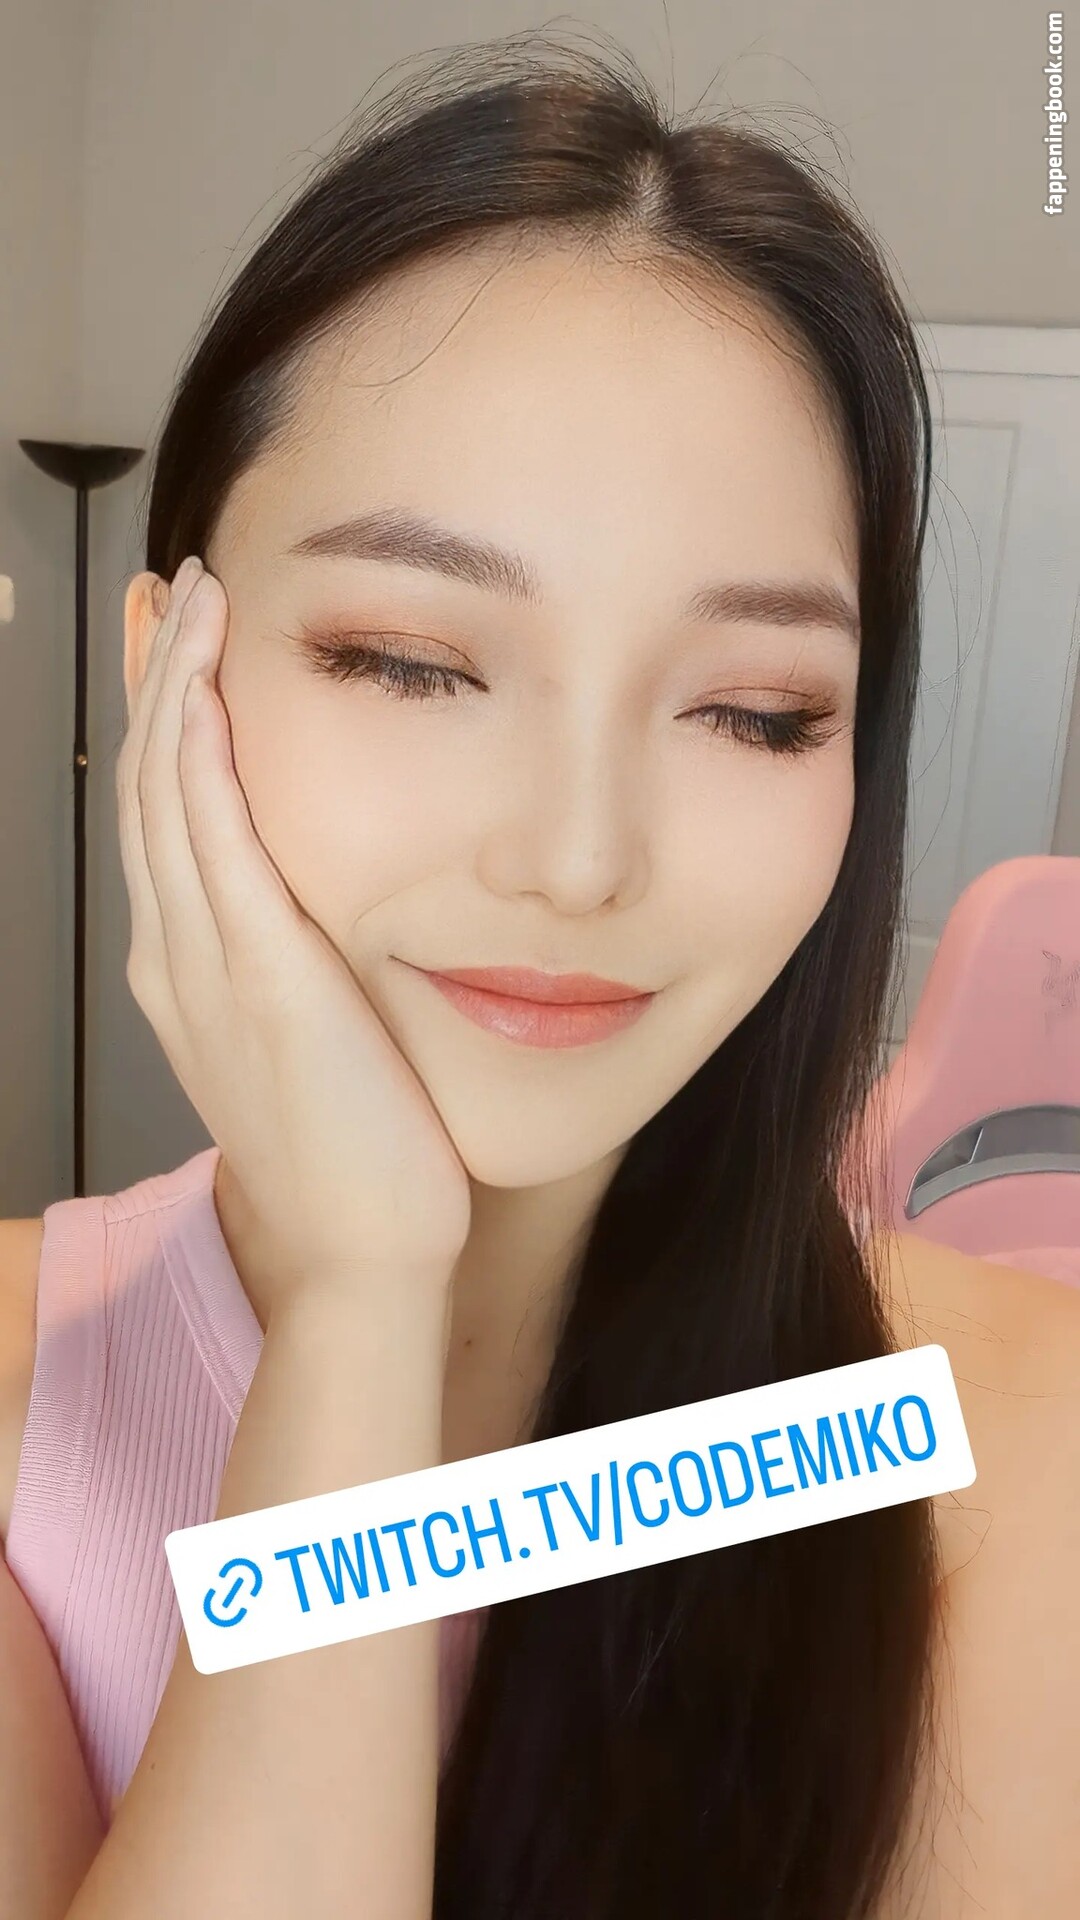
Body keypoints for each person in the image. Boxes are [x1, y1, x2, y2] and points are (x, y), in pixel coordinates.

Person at [1, 30, 1079, 1920]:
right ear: (167, 669)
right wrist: (358, 1302)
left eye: (756, 711)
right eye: (414, 663)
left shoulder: (1007, 1437)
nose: (579, 864)